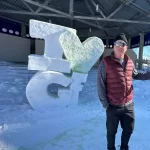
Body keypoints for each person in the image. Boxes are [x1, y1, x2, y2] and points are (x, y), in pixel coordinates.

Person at [97, 33, 150, 150]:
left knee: (128, 130)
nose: (120, 46)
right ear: (113, 46)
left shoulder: (129, 62)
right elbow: (100, 85)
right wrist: (106, 105)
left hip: (128, 106)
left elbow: (136, 75)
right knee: (111, 132)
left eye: (123, 44)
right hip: (113, 106)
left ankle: (124, 148)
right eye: (117, 43)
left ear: (126, 47)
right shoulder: (105, 62)